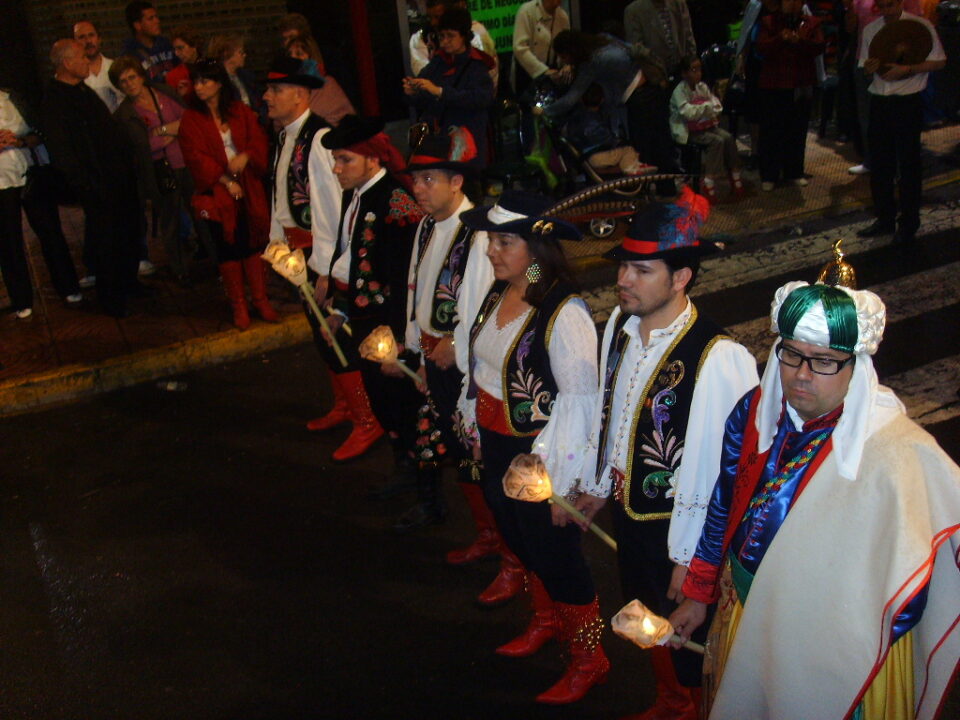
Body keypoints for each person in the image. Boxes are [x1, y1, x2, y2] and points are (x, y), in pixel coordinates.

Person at [668, 278, 960, 719]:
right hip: (746, 612)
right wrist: (699, 592)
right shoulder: (754, 412)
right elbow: (725, 503)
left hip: (834, 644)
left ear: (855, 366)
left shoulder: (894, 450)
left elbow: (912, 579)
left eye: (823, 362)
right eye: (792, 354)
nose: (801, 375)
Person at [575, 188, 758, 719]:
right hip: (632, 516)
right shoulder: (621, 327)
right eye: (623, 268)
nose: (623, 281)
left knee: (688, 641)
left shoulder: (720, 357)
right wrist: (595, 486)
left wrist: (696, 562)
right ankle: (673, 702)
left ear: (681, 277)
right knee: (647, 617)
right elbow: (615, 417)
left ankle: (697, 707)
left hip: (680, 532)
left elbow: (730, 473)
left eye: (642, 270)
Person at [458, 192, 607, 705]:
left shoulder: (561, 310)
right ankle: (545, 620)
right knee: (519, 539)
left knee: (555, 553)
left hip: (540, 456)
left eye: (503, 241)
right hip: (498, 445)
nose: (491, 252)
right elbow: (482, 370)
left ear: (537, 247)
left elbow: (581, 401)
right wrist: (475, 428)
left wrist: (559, 477)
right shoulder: (501, 292)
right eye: (490, 240)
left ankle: (591, 656)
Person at [390, 128, 499, 551]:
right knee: (450, 446)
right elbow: (417, 288)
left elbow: (497, 296)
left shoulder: (481, 233)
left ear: (457, 182)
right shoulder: (427, 227)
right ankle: (481, 529)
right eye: (415, 180)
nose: (418, 188)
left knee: (472, 452)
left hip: (464, 364)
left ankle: (497, 537)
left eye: (428, 179)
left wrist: (457, 341)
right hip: (432, 357)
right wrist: (414, 348)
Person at [317, 114, 424, 463]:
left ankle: (424, 490)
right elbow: (349, 255)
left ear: (373, 158)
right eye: (335, 160)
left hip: (384, 326)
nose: (337, 168)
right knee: (382, 404)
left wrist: (395, 338)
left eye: (345, 159)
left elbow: (403, 278)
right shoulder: (357, 195)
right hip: (362, 318)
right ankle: (403, 471)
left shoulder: (395, 203)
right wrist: (340, 309)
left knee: (403, 408)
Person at [260, 58, 344, 433]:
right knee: (318, 331)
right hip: (297, 252)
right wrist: (276, 242)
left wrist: (325, 269)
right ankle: (343, 403)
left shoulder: (320, 138)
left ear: (299, 94)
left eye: (275, 90)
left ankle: (365, 415)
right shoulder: (284, 135)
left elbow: (330, 209)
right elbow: (281, 195)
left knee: (334, 332)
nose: (266, 97)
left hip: (316, 252)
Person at [41, 39, 143, 318]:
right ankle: (111, 296)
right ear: (66, 63)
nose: (88, 61)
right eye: (81, 58)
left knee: (127, 231)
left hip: (116, 176)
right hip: (96, 182)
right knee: (106, 238)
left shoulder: (83, 91)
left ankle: (129, 281)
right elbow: (63, 149)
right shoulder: (56, 99)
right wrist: (85, 182)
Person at [178, 58, 278, 329]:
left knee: (253, 244)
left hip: (248, 187)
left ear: (219, 83)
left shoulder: (239, 111)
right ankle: (239, 305)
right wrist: (224, 179)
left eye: (204, 81)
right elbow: (195, 157)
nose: (198, 87)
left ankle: (260, 299)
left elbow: (258, 140)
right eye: (196, 82)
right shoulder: (191, 119)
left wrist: (246, 156)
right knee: (227, 250)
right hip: (217, 193)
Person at [548, 30, 682, 195]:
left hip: (640, 99)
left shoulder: (591, 62)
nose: (562, 61)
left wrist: (544, 111)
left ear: (570, 52)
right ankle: (666, 189)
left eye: (563, 56)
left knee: (646, 147)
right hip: (653, 89)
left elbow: (571, 98)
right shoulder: (604, 40)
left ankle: (653, 194)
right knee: (660, 143)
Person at [856, 0, 946, 244]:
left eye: (891, 4)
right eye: (882, 5)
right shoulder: (871, 29)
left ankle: (908, 223)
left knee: (908, 165)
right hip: (879, 100)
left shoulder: (920, 25)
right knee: (880, 165)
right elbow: (865, 65)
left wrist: (907, 69)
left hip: (907, 101)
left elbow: (939, 61)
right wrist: (870, 67)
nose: (887, 10)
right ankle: (884, 218)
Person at [112, 55, 201, 284]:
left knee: (201, 212)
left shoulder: (162, 92)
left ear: (141, 76)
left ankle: (212, 258)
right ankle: (180, 268)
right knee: (170, 220)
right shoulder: (125, 114)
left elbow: (189, 120)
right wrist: (170, 131)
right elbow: (142, 147)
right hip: (159, 171)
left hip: (187, 162)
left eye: (132, 77)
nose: (130, 83)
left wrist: (160, 132)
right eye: (123, 81)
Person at [0, 89, 82, 319]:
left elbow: (41, 132)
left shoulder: (14, 96)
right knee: (9, 241)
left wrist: (19, 140)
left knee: (50, 231)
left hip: (31, 172)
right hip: (1, 181)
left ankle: (68, 286)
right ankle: (21, 299)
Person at [404, 7, 495, 169]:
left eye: (451, 36)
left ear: (465, 36)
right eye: (442, 36)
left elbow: (481, 99)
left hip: (467, 143)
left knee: (467, 187)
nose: (445, 41)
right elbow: (424, 100)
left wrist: (440, 92)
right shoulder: (438, 63)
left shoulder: (477, 65)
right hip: (438, 141)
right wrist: (413, 92)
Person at [755, 0, 825, 191]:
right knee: (771, 131)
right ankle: (769, 175)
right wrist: (781, 38)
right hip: (774, 85)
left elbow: (819, 46)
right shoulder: (768, 21)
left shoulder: (812, 23)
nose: (792, 4)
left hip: (800, 85)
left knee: (797, 130)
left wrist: (799, 41)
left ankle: (794, 171)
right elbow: (761, 47)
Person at [670, 56, 744, 201]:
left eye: (699, 69)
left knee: (728, 138)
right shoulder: (679, 91)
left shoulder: (702, 87)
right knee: (716, 141)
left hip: (706, 125)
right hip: (687, 131)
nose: (698, 73)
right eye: (693, 70)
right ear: (684, 73)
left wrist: (704, 108)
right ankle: (709, 180)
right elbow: (689, 113)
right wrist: (705, 107)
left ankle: (734, 175)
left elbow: (716, 105)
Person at [410, 0, 499, 88]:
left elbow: (488, 81)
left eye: (438, 17)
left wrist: (441, 92)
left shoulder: (477, 34)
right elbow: (423, 81)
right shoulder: (422, 39)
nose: (433, 22)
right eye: (429, 17)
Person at [283, 32, 356, 127]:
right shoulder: (284, 88)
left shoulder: (327, 85)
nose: (293, 59)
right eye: (289, 55)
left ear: (311, 58)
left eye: (299, 54)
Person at [623, 0, 697, 80]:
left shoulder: (678, 3)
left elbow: (689, 38)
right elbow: (637, 51)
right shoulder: (633, 11)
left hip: (683, 74)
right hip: (655, 80)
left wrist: (691, 68)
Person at [511, 0, 571, 96]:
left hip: (553, 75)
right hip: (528, 74)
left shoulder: (562, 17)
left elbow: (567, 47)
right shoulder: (526, 12)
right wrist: (544, 71)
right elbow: (520, 48)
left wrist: (567, 66)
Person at [206, 34, 265, 124]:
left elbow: (261, 99)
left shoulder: (246, 76)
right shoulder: (217, 80)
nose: (244, 55)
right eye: (240, 52)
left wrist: (259, 114)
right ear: (227, 54)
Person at [121, 1, 179, 82]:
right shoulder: (130, 54)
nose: (157, 21)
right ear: (138, 25)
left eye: (156, 17)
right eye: (150, 18)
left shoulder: (166, 43)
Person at [74, 20, 123, 113]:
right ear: (74, 43)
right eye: (82, 37)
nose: (88, 41)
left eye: (91, 35)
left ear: (99, 38)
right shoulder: (73, 76)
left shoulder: (116, 67)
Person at [166, 26, 204, 99]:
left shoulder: (211, 68)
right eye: (175, 49)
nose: (176, 53)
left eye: (180, 48)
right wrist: (181, 96)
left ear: (194, 46)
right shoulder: (173, 76)